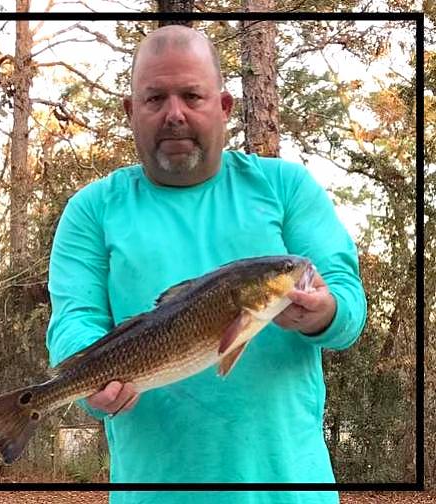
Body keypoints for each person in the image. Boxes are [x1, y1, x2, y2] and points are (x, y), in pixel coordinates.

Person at [46, 25, 367, 504]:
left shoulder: (286, 187)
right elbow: (74, 320)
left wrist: (325, 312)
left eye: (192, 96)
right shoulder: (92, 210)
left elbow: (347, 302)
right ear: (131, 111)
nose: (174, 113)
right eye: (155, 98)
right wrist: (91, 383)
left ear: (224, 106)